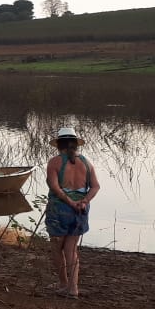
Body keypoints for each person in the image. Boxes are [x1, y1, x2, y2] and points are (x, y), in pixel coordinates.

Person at [45, 126, 100, 299]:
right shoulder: (87, 162)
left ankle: (63, 284)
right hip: (80, 211)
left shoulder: (54, 162)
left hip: (60, 209)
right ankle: (73, 288)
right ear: (76, 145)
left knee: (56, 248)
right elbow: (96, 186)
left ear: (58, 145)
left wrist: (69, 201)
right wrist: (84, 201)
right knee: (71, 250)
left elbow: (55, 188)